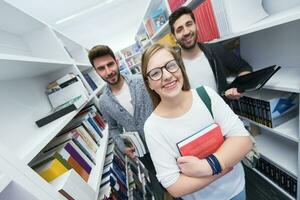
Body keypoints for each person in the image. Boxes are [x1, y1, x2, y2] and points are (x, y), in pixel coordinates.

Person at [141, 43, 253, 200]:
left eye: (171, 65)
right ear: (149, 84)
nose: (166, 76)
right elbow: (174, 186)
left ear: (180, 67)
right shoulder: (153, 127)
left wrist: (206, 167)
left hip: (236, 189)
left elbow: (244, 141)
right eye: (155, 73)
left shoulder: (205, 95)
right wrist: (219, 170)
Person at [88, 45, 165, 200]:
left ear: (117, 61)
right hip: (142, 150)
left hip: (163, 139)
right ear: (96, 72)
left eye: (110, 64)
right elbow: (114, 128)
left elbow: (162, 101)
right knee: (160, 179)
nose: (108, 71)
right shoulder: (103, 101)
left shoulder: (141, 81)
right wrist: (122, 147)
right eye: (101, 68)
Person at [168, 6, 252, 99]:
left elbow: (244, 67)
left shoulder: (215, 49)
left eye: (189, 24)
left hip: (222, 112)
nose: (186, 32)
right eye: (179, 29)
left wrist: (237, 88)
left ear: (196, 26)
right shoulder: (172, 67)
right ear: (174, 37)